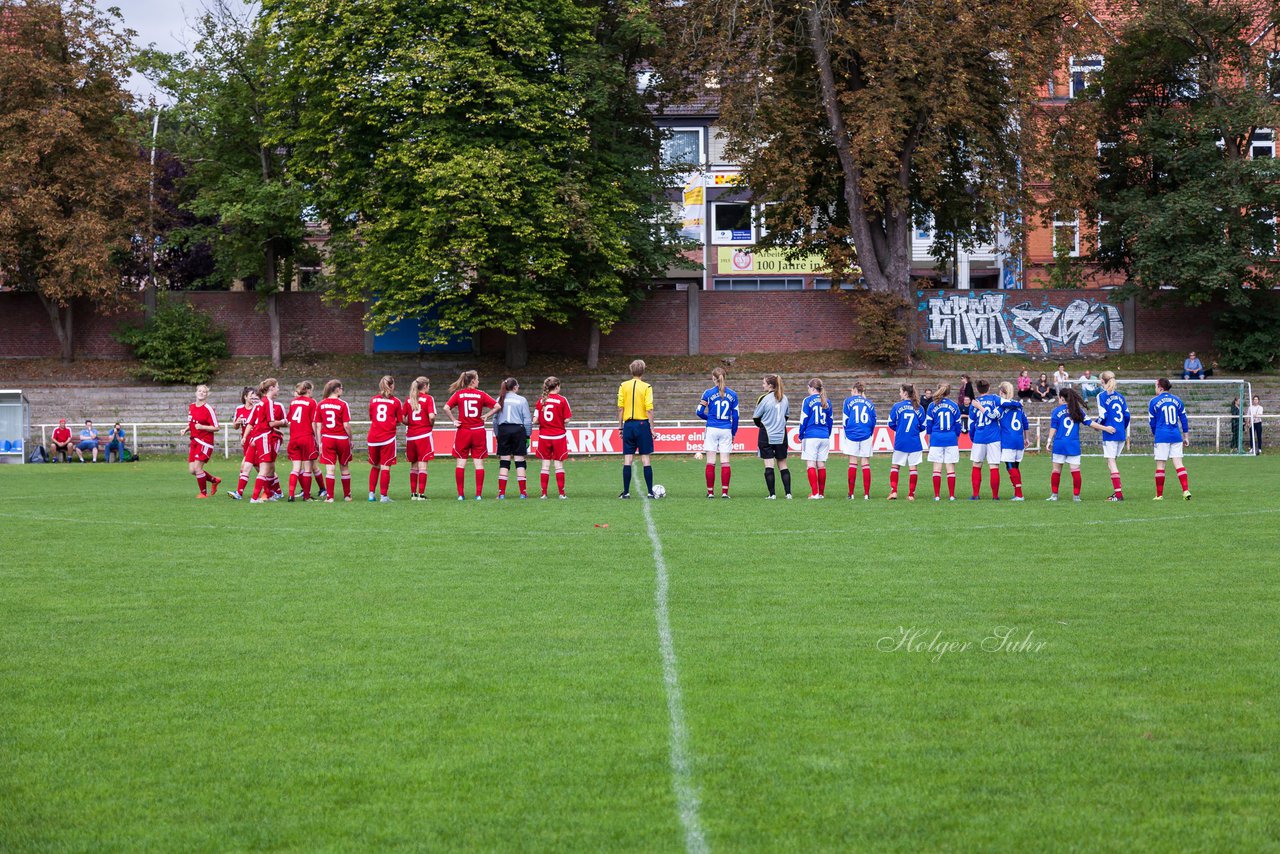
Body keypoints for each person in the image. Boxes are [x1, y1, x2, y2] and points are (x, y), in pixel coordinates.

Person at [1045, 387, 1113, 501]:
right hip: (1073, 445)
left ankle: (1054, 495)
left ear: (1062, 398)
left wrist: (1048, 441)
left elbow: (1053, 427)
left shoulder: (1056, 411)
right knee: (1075, 470)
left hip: (1060, 444)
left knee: (1056, 471)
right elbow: (1091, 423)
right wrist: (1106, 428)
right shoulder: (1077, 410)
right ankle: (1076, 496)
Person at [445, 370, 497, 500]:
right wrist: (486, 415)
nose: (478, 381)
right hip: (478, 431)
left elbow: (446, 407)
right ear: (473, 380)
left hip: (463, 431)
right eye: (477, 379)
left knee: (460, 464)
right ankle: (478, 495)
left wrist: (453, 420)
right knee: (478, 464)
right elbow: (497, 406)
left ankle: (460, 495)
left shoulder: (459, 394)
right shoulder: (481, 394)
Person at [696, 367, 739, 498]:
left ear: (713, 378)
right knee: (725, 462)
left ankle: (710, 493)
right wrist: (733, 433)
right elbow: (736, 417)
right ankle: (725, 493)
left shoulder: (708, 393)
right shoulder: (733, 394)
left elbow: (699, 411)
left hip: (712, 429)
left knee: (711, 462)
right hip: (726, 429)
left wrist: (709, 418)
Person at [616, 359, 656, 499]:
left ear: (631, 370)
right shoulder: (647, 387)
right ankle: (650, 492)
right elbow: (649, 409)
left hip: (628, 425)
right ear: (643, 371)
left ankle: (626, 492)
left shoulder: (623, 386)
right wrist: (652, 428)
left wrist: (621, 427)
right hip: (642, 425)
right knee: (645, 459)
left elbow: (620, 408)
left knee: (628, 459)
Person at [1149, 378, 1191, 500]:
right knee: (1178, 463)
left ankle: (1159, 495)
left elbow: (1152, 422)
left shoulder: (1154, 401)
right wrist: (1186, 436)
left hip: (1162, 436)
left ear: (1160, 388)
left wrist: (1155, 434)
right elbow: (1184, 419)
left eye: (1156, 386)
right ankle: (1185, 490)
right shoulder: (1177, 400)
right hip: (1176, 436)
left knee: (1161, 465)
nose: (1155, 388)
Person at [246, 378, 287, 503]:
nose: (278, 389)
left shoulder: (263, 402)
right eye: (277, 387)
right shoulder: (268, 402)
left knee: (268, 468)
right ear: (271, 388)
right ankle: (254, 498)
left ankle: (269, 495)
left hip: (262, 435)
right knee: (264, 469)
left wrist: (275, 430)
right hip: (264, 437)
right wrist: (283, 422)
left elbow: (263, 423)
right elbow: (270, 423)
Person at [753, 374, 791, 499]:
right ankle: (788, 493)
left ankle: (772, 494)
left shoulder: (764, 398)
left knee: (769, 464)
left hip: (767, 435)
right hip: (781, 435)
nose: (762, 385)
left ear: (770, 385)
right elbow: (786, 416)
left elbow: (756, 417)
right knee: (783, 464)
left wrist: (764, 425)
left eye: (764, 383)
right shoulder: (784, 398)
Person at [493, 377, 532, 499]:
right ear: (515, 387)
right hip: (518, 430)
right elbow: (527, 420)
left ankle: (501, 493)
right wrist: (527, 435)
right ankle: (523, 493)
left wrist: (498, 434)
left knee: (504, 462)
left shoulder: (500, 399)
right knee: (520, 462)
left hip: (503, 430)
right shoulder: (521, 400)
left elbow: (495, 420)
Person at [534, 376, 572, 499]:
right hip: (558, 436)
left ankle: (544, 494)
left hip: (544, 436)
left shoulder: (541, 401)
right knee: (558, 465)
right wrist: (558, 420)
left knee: (545, 465)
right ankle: (561, 494)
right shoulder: (562, 400)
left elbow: (535, 420)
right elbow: (567, 419)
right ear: (557, 387)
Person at [1096, 371, 1131, 501]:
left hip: (1110, 433)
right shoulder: (1120, 396)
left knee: (1111, 462)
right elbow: (1127, 415)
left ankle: (1119, 494)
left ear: (1102, 381)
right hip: (1121, 432)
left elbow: (1103, 416)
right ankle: (1117, 491)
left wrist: (1097, 425)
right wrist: (1123, 427)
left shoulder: (1102, 396)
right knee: (1112, 462)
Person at [367, 375, 402, 502]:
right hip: (387, 437)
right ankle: (383, 496)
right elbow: (400, 420)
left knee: (375, 466)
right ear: (391, 386)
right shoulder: (396, 401)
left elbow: (372, 417)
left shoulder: (373, 400)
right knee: (385, 466)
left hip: (373, 437)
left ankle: (371, 494)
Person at [317, 379, 353, 502]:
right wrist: (351, 439)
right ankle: (347, 496)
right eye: (341, 388)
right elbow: (346, 425)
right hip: (342, 439)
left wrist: (319, 441)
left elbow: (318, 425)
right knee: (344, 467)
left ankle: (330, 497)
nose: (342, 390)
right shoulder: (343, 404)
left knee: (330, 468)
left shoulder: (321, 404)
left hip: (328, 439)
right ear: (337, 389)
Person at [924, 384, 962, 501]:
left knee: (937, 468)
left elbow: (929, 426)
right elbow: (958, 425)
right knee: (950, 468)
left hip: (936, 438)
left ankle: (937, 496)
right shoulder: (954, 405)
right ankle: (951, 495)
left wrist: (930, 439)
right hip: (950, 438)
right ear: (949, 393)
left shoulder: (932, 405)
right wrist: (955, 438)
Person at [798, 378, 833, 499]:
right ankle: (821, 493)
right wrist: (827, 434)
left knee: (811, 464)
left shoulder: (807, 401)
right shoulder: (827, 401)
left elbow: (804, 419)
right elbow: (830, 421)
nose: (808, 390)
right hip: (824, 436)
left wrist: (801, 434)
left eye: (808, 387)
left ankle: (815, 493)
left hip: (811, 436)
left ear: (813, 388)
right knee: (821, 464)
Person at [286, 381, 321, 501]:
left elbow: (289, 420)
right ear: (308, 390)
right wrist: (317, 439)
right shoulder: (312, 402)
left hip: (294, 438)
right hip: (306, 437)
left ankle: (291, 494)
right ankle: (306, 496)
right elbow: (313, 422)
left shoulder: (293, 402)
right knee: (307, 469)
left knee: (295, 468)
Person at [886, 384, 923, 501]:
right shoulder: (919, 407)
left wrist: (900, 429)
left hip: (901, 440)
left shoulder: (897, 406)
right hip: (914, 441)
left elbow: (891, 423)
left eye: (900, 391)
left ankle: (894, 492)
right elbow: (923, 426)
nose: (899, 394)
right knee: (913, 468)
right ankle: (911, 494)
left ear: (905, 393)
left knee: (895, 466)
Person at [967, 380, 1002, 500]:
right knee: (994, 466)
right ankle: (995, 496)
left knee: (977, 465)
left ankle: (975, 495)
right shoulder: (994, 399)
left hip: (979, 437)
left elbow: (971, 423)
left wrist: (973, 437)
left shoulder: (974, 403)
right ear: (989, 388)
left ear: (977, 389)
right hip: (994, 437)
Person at [403, 376, 437, 500]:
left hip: (411, 436)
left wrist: (410, 423)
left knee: (413, 465)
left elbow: (402, 418)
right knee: (423, 465)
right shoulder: (428, 399)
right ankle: (421, 494)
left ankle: (413, 494)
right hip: (424, 435)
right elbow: (432, 416)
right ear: (425, 386)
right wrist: (430, 424)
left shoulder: (409, 400)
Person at [841, 381, 876, 500]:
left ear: (855, 390)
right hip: (866, 434)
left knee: (852, 463)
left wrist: (848, 432)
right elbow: (873, 420)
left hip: (852, 434)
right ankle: (866, 494)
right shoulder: (869, 403)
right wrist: (869, 432)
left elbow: (845, 420)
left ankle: (851, 494)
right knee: (865, 463)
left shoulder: (848, 401)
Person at [185, 385, 221, 497]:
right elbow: (192, 422)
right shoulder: (191, 406)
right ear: (196, 393)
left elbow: (216, 427)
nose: (201, 393)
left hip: (205, 442)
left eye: (204, 392)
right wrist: (186, 429)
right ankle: (214, 480)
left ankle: (203, 493)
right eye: (199, 391)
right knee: (192, 470)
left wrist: (202, 427)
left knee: (197, 468)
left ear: (207, 395)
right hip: (194, 441)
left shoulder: (208, 409)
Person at [997, 382, 1028, 501]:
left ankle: (1019, 494)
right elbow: (1025, 423)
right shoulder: (1019, 407)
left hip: (1008, 440)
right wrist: (1026, 438)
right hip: (1019, 440)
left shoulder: (1002, 407)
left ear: (1002, 393)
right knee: (1015, 466)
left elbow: (992, 416)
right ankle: (1017, 492)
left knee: (1010, 467)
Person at [229, 387, 260, 500]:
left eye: (255, 395)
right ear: (245, 397)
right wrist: (236, 423)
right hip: (246, 442)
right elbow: (235, 426)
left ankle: (239, 492)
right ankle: (275, 490)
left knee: (246, 466)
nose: (253, 397)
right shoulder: (239, 409)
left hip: (256, 441)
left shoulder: (258, 408)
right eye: (251, 395)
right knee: (260, 468)